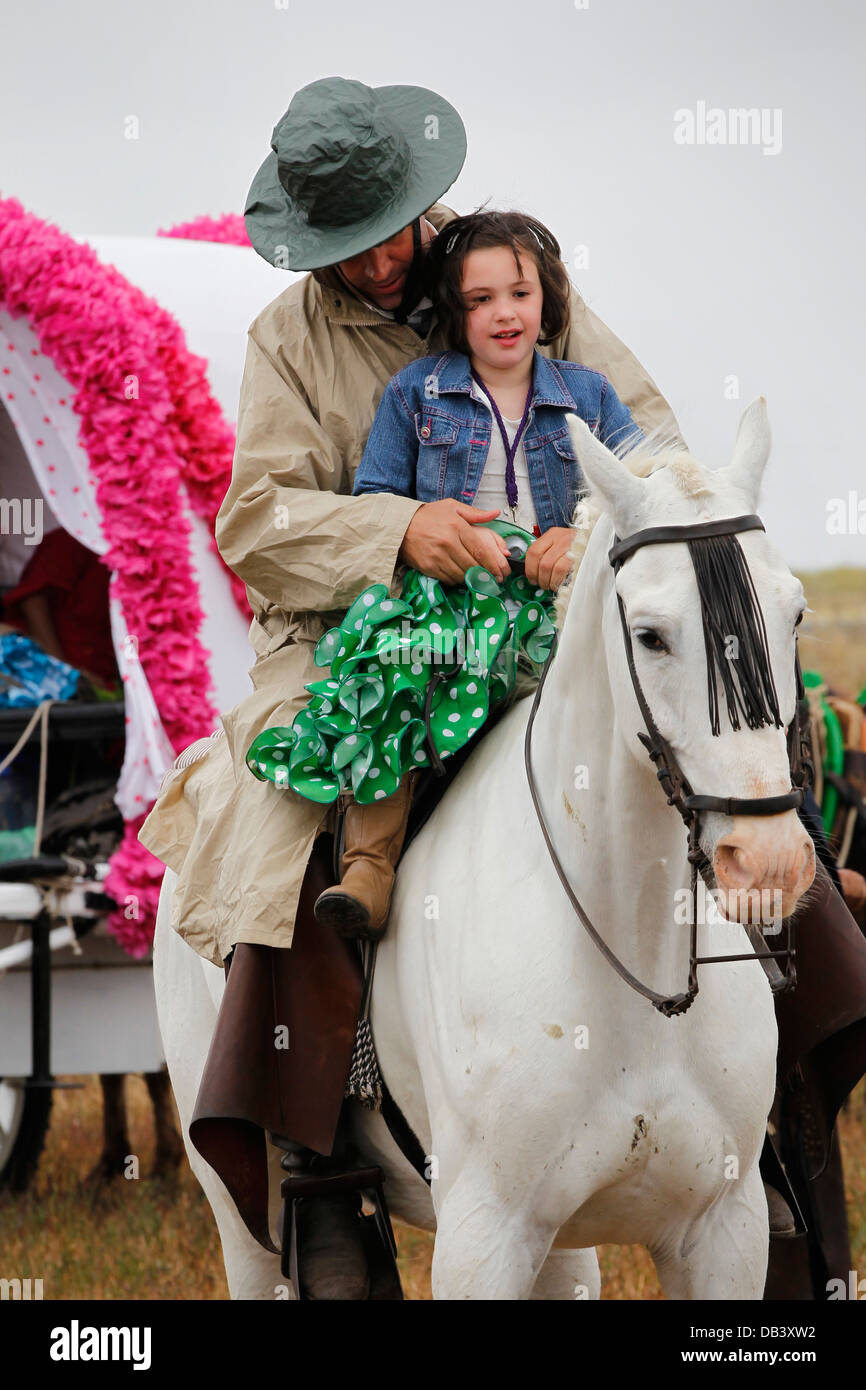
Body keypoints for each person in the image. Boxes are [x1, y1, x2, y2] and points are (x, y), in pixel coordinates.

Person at [139, 78, 680, 973]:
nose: (377, 265)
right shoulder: (284, 340)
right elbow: (257, 520)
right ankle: (271, 1090)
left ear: (415, 203)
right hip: (356, 631)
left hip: (565, 606)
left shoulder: (513, 279)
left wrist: (583, 539)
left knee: (715, 704)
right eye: (346, 250)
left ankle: (813, 980)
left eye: (386, 234)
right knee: (275, 820)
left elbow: (653, 448)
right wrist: (396, 536)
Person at [311, 209, 643, 936]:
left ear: (547, 300)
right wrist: (425, 533)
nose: (503, 314)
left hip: (560, 600)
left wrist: (580, 536)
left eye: (519, 295)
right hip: (453, 600)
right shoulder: (415, 392)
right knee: (390, 670)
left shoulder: (588, 395)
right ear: (454, 314)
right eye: (480, 300)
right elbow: (377, 498)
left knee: (679, 659)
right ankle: (371, 863)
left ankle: (791, 835)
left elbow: (642, 485)